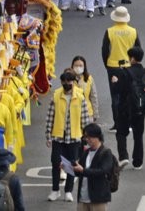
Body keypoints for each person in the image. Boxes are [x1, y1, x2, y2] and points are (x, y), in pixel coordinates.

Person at [45, 70, 91, 201]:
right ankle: (55, 190)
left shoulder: (80, 97)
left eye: (69, 82)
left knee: (72, 164)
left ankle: (68, 191)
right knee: (55, 162)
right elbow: (50, 117)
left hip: (74, 136)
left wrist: (86, 136)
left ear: (73, 82)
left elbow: (84, 118)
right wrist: (48, 135)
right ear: (61, 82)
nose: (66, 84)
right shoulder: (56, 96)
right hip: (58, 135)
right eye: (64, 82)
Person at [113, 46, 145, 171]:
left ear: (132, 58)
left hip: (126, 107)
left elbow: (119, 89)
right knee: (138, 135)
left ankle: (123, 156)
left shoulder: (125, 72)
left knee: (121, 133)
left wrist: (115, 81)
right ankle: (138, 162)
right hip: (141, 107)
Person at [101, 6, 141, 126]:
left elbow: (104, 51)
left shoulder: (110, 31)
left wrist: (107, 65)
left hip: (113, 66)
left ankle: (117, 122)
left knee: (115, 96)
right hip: (129, 67)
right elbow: (139, 50)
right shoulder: (133, 31)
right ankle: (127, 121)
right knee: (128, 94)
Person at [72, 123, 116, 210]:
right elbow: (79, 172)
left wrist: (83, 170)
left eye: (89, 137)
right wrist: (69, 167)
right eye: (85, 137)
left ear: (97, 136)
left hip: (98, 199)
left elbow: (103, 171)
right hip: (82, 199)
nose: (87, 140)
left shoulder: (106, 152)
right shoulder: (86, 152)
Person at [70, 55, 100, 122]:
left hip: (87, 112)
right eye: (76, 65)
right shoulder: (68, 79)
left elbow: (93, 97)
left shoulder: (89, 79)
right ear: (72, 66)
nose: (78, 68)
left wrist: (95, 113)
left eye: (80, 66)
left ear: (84, 67)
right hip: (72, 112)